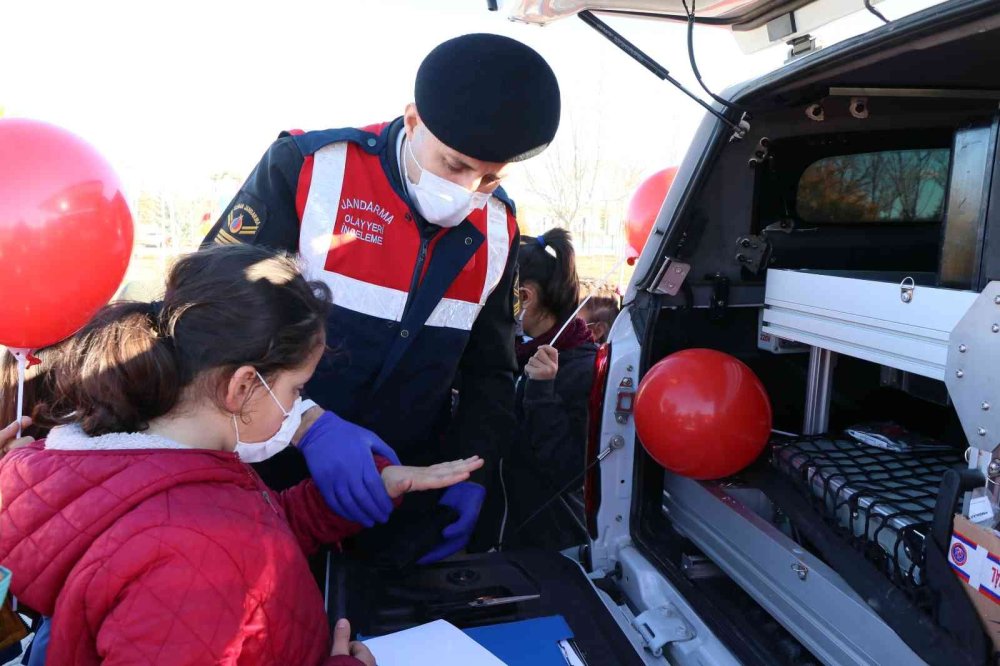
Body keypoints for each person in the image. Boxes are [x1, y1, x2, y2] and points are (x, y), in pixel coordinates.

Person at [0, 245, 483, 665]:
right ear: (243, 386)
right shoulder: (189, 556)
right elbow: (216, 550)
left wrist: (344, 498)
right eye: (296, 390)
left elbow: (245, 524)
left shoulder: (148, 469)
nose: (297, 408)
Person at [202, 33, 562, 557]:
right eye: (454, 165)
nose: (468, 190)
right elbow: (207, 315)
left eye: (489, 178)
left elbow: (490, 371)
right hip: (264, 472)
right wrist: (307, 426)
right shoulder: (309, 168)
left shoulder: (498, 227)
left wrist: (472, 470)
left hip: (398, 489)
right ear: (413, 121)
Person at [502, 229, 598, 551]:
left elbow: (570, 473)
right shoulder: (514, 351)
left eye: (499, 293)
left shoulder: (583, 368)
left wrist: (542, 394)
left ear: (524, 297)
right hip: (506, 533)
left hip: (550, 545)